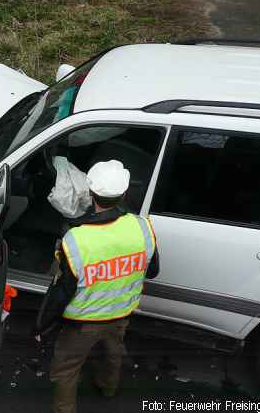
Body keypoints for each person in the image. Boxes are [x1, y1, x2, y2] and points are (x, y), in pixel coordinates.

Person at [35, 160, 159, 413]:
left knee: (67, 369)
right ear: (124, 193)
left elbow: (63, 291)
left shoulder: (77, 238)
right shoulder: (143, 226)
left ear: (91, 193)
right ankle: (108, 387)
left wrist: (42, 325)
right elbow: (153, 271)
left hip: (82, 323)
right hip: (121, 315)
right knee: (113, 355)